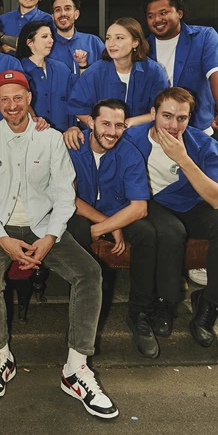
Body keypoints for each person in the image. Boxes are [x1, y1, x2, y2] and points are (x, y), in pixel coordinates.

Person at [0, 70, 118, 417]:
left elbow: (65, 195)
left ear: (29, 98)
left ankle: (76, 368)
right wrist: (2, 239)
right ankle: (1, 355)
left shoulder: (49, 139)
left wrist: (49, 238)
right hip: (0, 227)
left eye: (18, 97)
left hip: (43, 226)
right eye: (4, 99)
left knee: (89, 273)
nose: (12, 105)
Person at [125, 87, 218, 348]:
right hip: (152, 203)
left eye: (182, 118)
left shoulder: (201, 143)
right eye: (166, 116)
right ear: (153, 113)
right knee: (171, 232)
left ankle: (209, 305)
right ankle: (166, 305)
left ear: (190, 118)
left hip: (190, 202)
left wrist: (183, 158)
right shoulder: (132, 138)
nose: (173, 125)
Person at [66, 99, 159, 359]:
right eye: (105, 123)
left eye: (119, 125)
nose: (112, 131)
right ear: (91, 122)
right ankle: (79, 319)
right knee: (75, 229)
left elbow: (139, 208)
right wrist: (105, 225)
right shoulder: (73, 146)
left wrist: (109, 226)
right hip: (83, 214)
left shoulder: (129, 152)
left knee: (146, 234)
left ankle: (139, 313)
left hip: (118, 212)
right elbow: (68, 200)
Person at [64, 17, 168, 150]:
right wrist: (104, 130)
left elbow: (162, 111)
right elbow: (78, 109)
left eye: (119, 38)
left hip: (142, 141)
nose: (111, 43)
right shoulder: (94, 73)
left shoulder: (154, 71)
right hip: (102, 144)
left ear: (135, 42)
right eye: (108, 38)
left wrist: (131, 122)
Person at [145, 0, 218, 135]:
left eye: (163, 13)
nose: (157, 19)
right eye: (150, 16)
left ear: (180, 13)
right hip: (156, 133)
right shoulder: (143, 47)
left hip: (197, 131)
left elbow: (217, 74)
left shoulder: (204, 37)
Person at [16, 20, 74, 132]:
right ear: (30, 42)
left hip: (62, 139)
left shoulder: (62, 69)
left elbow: (72, 103)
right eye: (44, 36)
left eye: (51, 36)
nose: (51, 40)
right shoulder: (18, 70)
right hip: (30, 138)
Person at [48, 0, 105, 76]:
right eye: (58, 10)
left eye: (67, 8)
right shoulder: (46, 45)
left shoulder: (93, 42)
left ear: (76, 14)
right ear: (53, 17)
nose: (63, 13)